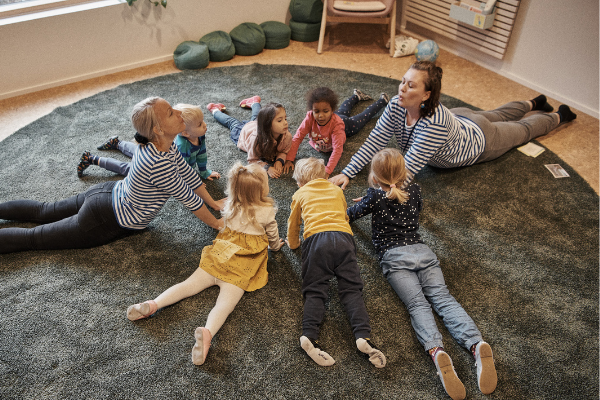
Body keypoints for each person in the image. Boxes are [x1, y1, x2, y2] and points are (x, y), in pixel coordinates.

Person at [346, 148, 497, 400]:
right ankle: (475, 343)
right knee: (444, 299)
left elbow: (349, 216)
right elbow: (411, 206)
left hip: (395, 257)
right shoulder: (414, 190)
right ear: (404, 173)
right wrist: (379, 196)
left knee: (418, 305)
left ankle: (437, 351)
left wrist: (366, 201)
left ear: (375, 177)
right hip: (423, 252)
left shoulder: (373, 197)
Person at [0, 97, 225, 254]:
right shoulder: (159, 163)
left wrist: (214, 203)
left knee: (44, 210)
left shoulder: (164, 145)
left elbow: (188, 175)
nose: (179, 113)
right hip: (105, 218)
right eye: (171, 113)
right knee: (35, 238)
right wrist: (216, 224)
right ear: (158, 129)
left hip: (106, 193)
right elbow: (190, 200)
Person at [127, 162, 285, 366]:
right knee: (224, 305)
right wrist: (276, 247)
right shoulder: (266, 211)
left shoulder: (230, 204)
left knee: (187, 285)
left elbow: (226, 225)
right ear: (262, 189)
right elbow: (272, 235)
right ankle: (207, 332)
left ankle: (153, 304)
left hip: (220, 256)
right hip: (242, 266)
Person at [330, 61, 577, 189]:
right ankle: (534, 101)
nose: (402, 88)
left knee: (522, 130)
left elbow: (408, 169)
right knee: (497, 113)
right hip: (460, 118)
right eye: (403, 81)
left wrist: (379, 195)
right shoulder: (397, 103)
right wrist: (348, 172)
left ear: (427, 95)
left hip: (480, 140)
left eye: (411, 85)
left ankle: (559, 116)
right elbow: (376, 139)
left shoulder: (433, 124)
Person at [286, 157, 386, 368]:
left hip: (316, 241)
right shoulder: (337, 191)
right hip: (343, 239)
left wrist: (293, 245)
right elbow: (344, 216)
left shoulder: (300, 194)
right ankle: (362, 336)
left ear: (300, 183)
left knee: (315, 290)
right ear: (325, 177)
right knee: (351, 290)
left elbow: (293, 224)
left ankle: (309, 335)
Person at [77, 104, 220, 181]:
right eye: (200, 124)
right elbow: (181, 170)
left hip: (154, 149)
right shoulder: (182, 146)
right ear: (186, 133)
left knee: (136, 149)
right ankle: (92, 159)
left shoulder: (200, 136)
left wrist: (204, 172)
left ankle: (117, 143)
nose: (205, 125)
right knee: (127, 168)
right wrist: (191, 183)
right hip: (153, 163)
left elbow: (202, 156)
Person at [284, 88, 389, 177]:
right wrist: (289, 159)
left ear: (332, 110)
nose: (320, 116)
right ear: (312, 110)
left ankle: (382, 101)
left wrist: (328, 170)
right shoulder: (310, 117)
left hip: (346, 124)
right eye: (316, 111)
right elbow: (298, 137)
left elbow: (337, 149)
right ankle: (356, 96)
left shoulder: (337, 125)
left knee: (364, 116)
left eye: (325, 111)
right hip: (335, 117)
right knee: (344, 109)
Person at [206, 96, 292, 179]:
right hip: (244, 131)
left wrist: (279, 161)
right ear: (267, 125)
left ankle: (254, 102)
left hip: (257, 126)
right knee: (232, 123)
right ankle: (215, 110)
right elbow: (252, 160)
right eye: (280, 120)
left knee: (256, 118)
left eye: (285, 118)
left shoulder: (286, 135)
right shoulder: (255, 139)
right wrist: (267, 167)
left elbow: (284, 151)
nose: (285, 123)